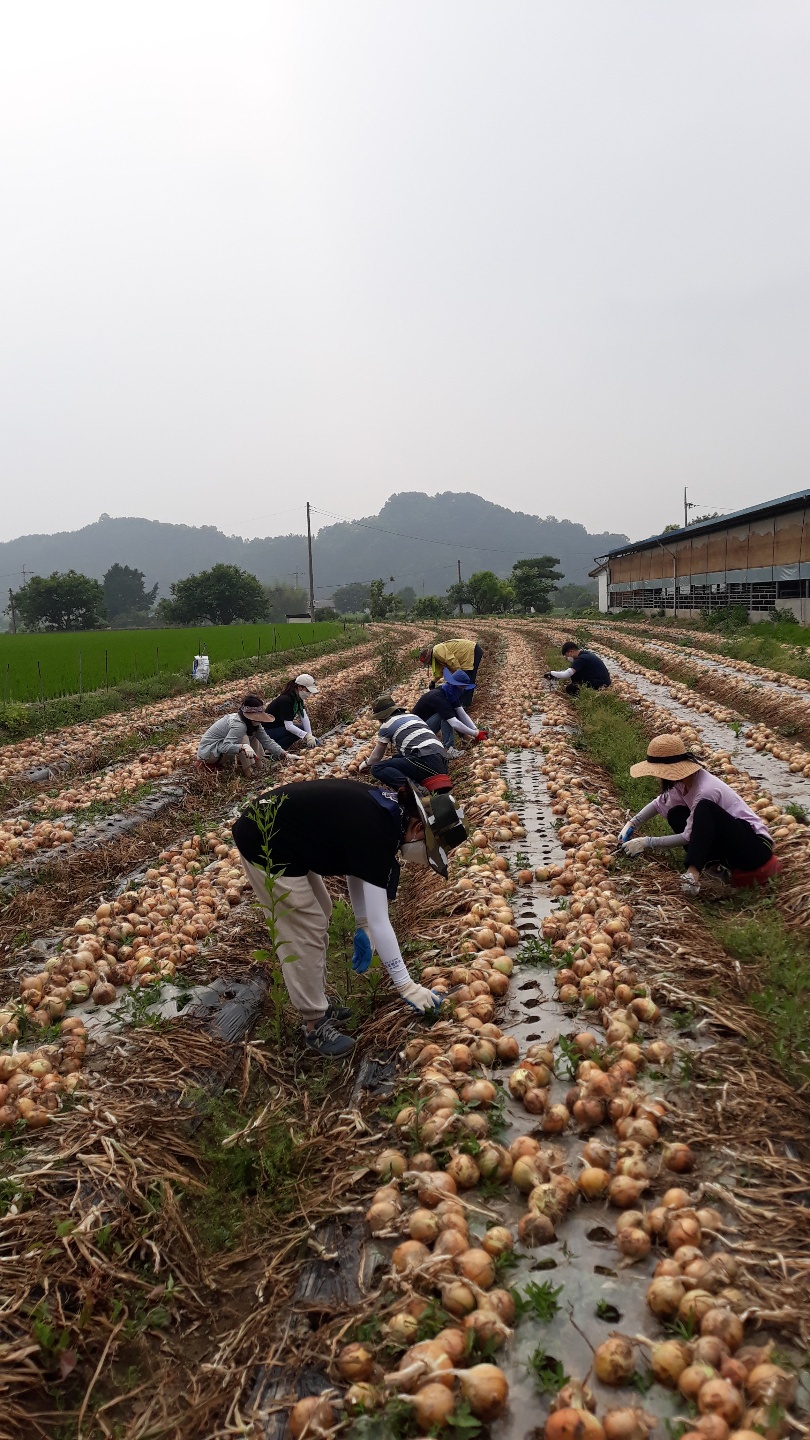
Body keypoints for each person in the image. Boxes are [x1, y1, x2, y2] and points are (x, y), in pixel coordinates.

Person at [231, 778, 466, 1057]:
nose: (423, 859)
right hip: (264, 838)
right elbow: (382, 921)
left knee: (322, 908)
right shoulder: (379, 831)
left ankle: (317, 1001)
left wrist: (362, 923)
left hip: (285, 834)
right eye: (428, 849)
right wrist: (407, 985)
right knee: (305, 925)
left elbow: (356, 867)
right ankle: (314, 1024)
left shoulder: (388, 814)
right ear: (418, 828)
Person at [620, 733, 779, 897]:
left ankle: (692, 874)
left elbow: (689, 836)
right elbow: (659, 803)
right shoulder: (683, 783)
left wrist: (647, 842)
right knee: (676, 814)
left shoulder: (705, 790)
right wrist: (632, 823)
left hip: (755, 849)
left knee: (705, 809)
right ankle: (715, 868)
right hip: (732, 846)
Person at [359, 693, 450, 788]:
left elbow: (377, 756)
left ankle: (414, 789)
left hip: (427, 761)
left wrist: (366, 764)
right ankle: (416, 782)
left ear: (381, 716)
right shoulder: (414, 717)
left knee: (377, 768)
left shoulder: (386, 725)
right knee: (396, 757)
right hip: (442, 762)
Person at [196, 695, 287, 775]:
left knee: (254, 737)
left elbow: (266, 741)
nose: (259, 720)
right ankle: (249, 771)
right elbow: (224, 747)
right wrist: (242, 747)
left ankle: (260, 765)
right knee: (243, 737)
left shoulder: (254, 724)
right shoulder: (239, 725)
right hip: (210, 752)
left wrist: (283, 753)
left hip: (219, 751)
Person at [412, 669, 488, 756]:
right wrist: (476, 734)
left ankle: (464, 738)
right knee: (445, 715)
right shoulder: (438, 697)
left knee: (450, 712)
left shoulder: (449, 693)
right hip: (417, 734)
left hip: (426, 726)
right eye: (461, 687)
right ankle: (449, 749)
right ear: (453, 685)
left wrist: (476, 730)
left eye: (463, 688)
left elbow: (461, 713)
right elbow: (454, 723)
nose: (462, 691)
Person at [262, 674, 322, 752]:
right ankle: (274, 751)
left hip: (277, 729)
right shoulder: (286, 700)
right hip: (266, 732)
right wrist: (306, 735)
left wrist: (310, 736)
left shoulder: (297, 699)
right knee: (298, 730)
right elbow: (288, 726)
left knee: (301, 729)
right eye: (307, 691)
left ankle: (275, 749)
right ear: (300, 687)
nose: (309, 694)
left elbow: (304, 717)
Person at [420, 639, 483, 710]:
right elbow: (440, 670)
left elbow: (452, 661)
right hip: (467, 654)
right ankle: (461, 702)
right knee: (461, 681)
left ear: (429, 659)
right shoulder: (436, 657)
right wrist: (433, 681)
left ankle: (465, 705)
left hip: (471, 652)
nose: (429, 664)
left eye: (428, 663)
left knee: (467, 679)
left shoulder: (437, 651)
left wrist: (458, 674)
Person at [545, 641, 611, 695]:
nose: (567, 658)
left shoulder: (581, 659)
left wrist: (551, 673)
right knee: (575, 674)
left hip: (599, 683)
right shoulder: (585, 654)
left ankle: (582, 696)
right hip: (603, 680)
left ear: (571, 652)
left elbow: (566, 674)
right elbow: (571, 671)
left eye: (567, 656)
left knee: (571, 688)